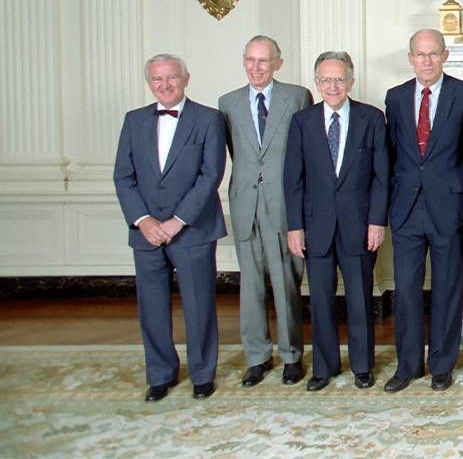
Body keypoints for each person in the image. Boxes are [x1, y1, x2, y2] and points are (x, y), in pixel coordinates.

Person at [113, 54, 226, 402]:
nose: (165, 85)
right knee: (152, 307)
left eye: (171, 78)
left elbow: (211, 175)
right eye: (157, 79)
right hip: (146, 231)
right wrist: (144, 221)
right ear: (149, 83)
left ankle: (203, 374)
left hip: (192, 228)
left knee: (199, 304)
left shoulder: (209, 119)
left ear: (186, 78)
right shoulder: (134, 121)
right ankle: (160, 374)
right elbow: (123, 176)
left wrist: (178, 221)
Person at [283, 51, 388, 392]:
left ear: (351, 82)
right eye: (326, 80)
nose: (333, 86)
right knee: (321, 300)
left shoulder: (371, 118)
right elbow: (293, 179)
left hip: (359, 226)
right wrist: (295, 227)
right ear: (316, 83)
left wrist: (376, 221)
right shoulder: (302, 122)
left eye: (339, 79)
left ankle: (362, 366)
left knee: (359, 299)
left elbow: (381, 177)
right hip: (316, 228)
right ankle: (323, 368)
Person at [383, 29, 463, 393]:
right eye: (419, 55)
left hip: (447, 204)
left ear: (445, 56)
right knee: (406, 289)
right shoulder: (394, 97)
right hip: (406, 206)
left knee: (447, 288)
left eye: (433, 54)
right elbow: (391, 153)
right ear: (410, 58)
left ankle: (442, 365)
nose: (426, 61)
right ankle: (408, 366)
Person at [217, 35, 312, 388]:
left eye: (263, 61)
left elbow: (306, 148)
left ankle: (291, 356)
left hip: (285, 205)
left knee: (287, 283)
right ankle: (257, 357)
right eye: (250, 60)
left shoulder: (298, 97)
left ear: (278, 63)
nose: (256, 68)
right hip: (246, 205)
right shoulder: (227, 103)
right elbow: (237, 153)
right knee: (250, 286)